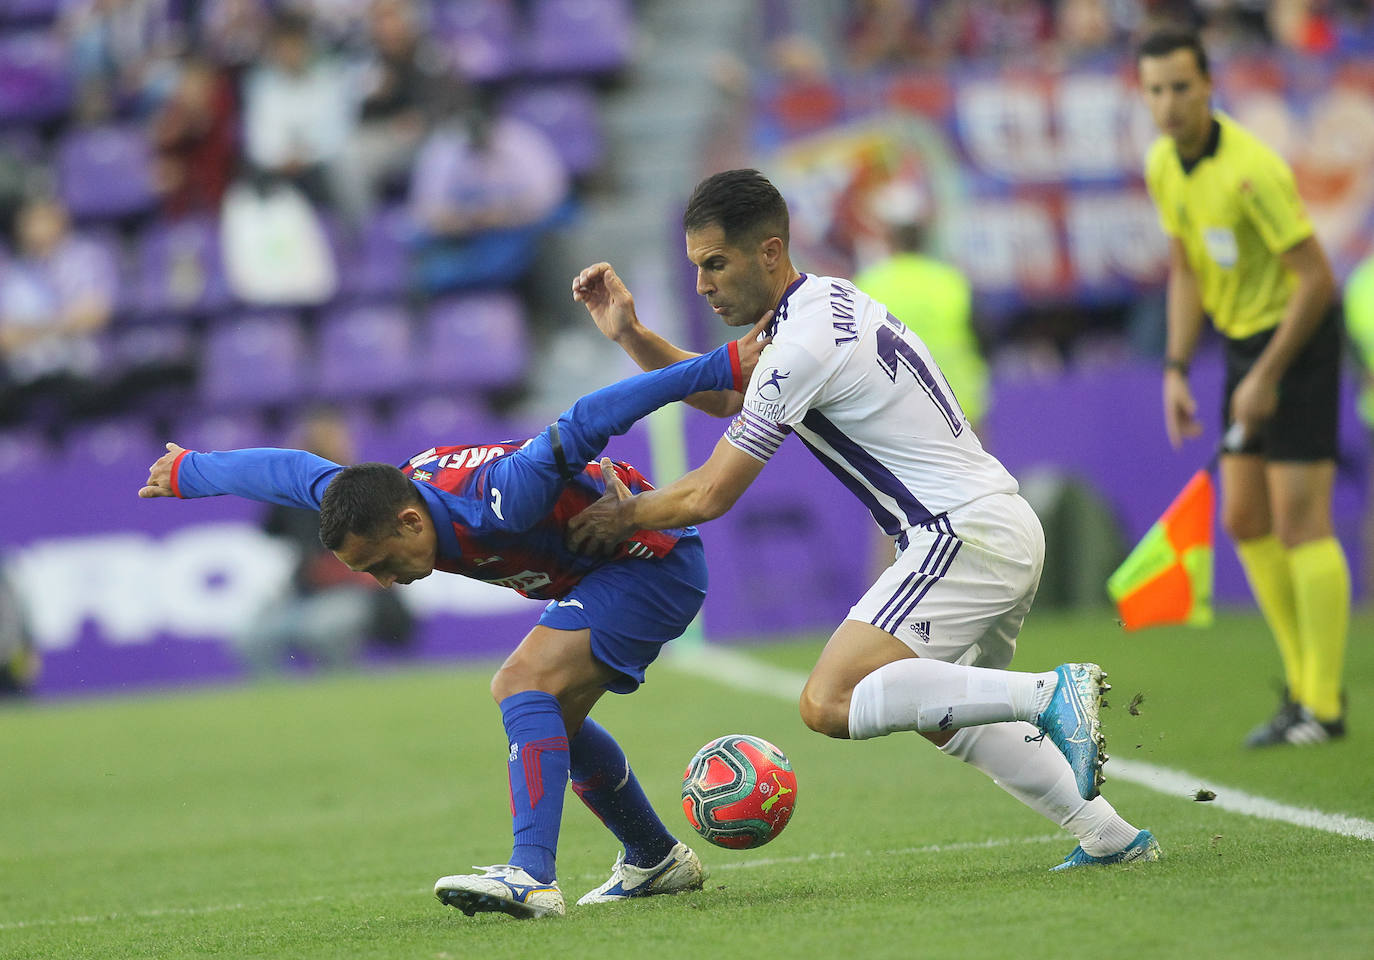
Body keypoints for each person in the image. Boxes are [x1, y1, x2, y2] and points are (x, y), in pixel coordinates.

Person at [567, 168, 1160, 871]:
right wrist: (631, 334)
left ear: (769, 251)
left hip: (958, 535)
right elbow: (728, 398)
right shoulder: (819, 303)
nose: (702, 285)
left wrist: (624, 516)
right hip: (990, 526)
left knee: (830, 701)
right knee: (940, 712)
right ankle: (1110, 836)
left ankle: (1048, 693)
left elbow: (709, 496)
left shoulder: (799, 345)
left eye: (714, 264)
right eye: (697, 266)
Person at [139, 320, 771, 919]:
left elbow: (588, 417)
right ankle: (654, 858)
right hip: (598, 573)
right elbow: (291, 471)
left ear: (411, 523)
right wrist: (191, 471)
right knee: (554, 722)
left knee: (521, 685)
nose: (385, 581)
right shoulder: (373, 497)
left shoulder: (499, 498)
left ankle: (531, 875)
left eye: (384, 564)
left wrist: (722, 364)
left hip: (651, 563)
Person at [1138, 28, 1349, 747]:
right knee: (1244, 520)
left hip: (1302, 338)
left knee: (1299, 522)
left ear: (1208, 86)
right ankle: (1301, 690)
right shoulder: (1164, 165)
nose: (1168, 103)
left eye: (1180, 87)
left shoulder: (1254, 170)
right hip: (1243, 347)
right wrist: (1175, 367)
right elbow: (1187, 268)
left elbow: (1317, 278)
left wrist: (1266, 377)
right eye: (1156, 90)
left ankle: (1322, 704)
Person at [233, 407, 415, 674]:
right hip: (306, 593)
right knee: (252, 635)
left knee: (324, 626)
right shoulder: (294, 491)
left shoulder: (365, 487)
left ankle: (343, 690)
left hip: (361, 592)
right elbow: (272, 529)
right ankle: (275, 702)